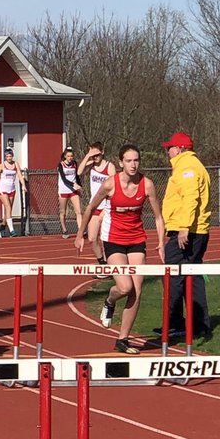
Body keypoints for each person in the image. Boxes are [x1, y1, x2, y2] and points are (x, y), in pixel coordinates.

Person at [75, 144, 165, 354]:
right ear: (121, 163)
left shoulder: (147, 185)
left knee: (137, 289)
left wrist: (161, 242)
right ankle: (110, 300)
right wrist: (80, 235)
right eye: (129, 161)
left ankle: (122, 339)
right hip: (114, 239)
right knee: (124, 287)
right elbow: (89, 208)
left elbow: (158, 217)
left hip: (136, 240)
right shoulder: (110, 185)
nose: (133, 165)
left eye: (136, 160)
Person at [161, 131, 211, 341]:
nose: (167, 152)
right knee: (193, 276)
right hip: (194, 230)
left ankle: (175, 323)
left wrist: (183, 227)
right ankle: (198, 324)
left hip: (189, 231)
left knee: (174, 276)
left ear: (180, 149)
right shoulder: (189, 165)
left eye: (169, 148)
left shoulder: (188, 167)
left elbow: (191, 198)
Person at [77, 143, 116, 261]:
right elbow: (79, 172)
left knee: (106, 240)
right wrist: (87, 155)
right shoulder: (91, 165)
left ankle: (110, 264)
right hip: (94, 207)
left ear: (102, 152)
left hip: (106, 208)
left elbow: (115, 188)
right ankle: (102, 264)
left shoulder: (109, 166)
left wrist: (106, 209)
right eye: (93, 155)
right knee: (92, 238)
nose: (95, 157)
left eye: (97, 154)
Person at [0, 147, 26, 238]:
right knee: (8, 208)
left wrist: (24, 185)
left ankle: (2, 227)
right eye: (7, 156)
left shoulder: (15, 164)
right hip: (3, 189)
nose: (9, 158)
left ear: (12, 156)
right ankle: (12, 230)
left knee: (8, 211)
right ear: (5, 157)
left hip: (12, 189)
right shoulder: (2, 165)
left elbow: (20, 176)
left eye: (10, 156)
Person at [57, 146, 82, 238]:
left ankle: (80, 230)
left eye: (71, 156)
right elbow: (64, 179)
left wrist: (79, 187)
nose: (70, 158)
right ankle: (64, 230)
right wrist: (73, 185)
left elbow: (77, 177)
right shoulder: (61, 165)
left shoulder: (75, 164)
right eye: (68, 156)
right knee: (63, 212)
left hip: (73, 191)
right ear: (65, 156)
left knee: (78, 211)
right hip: (64, 190)